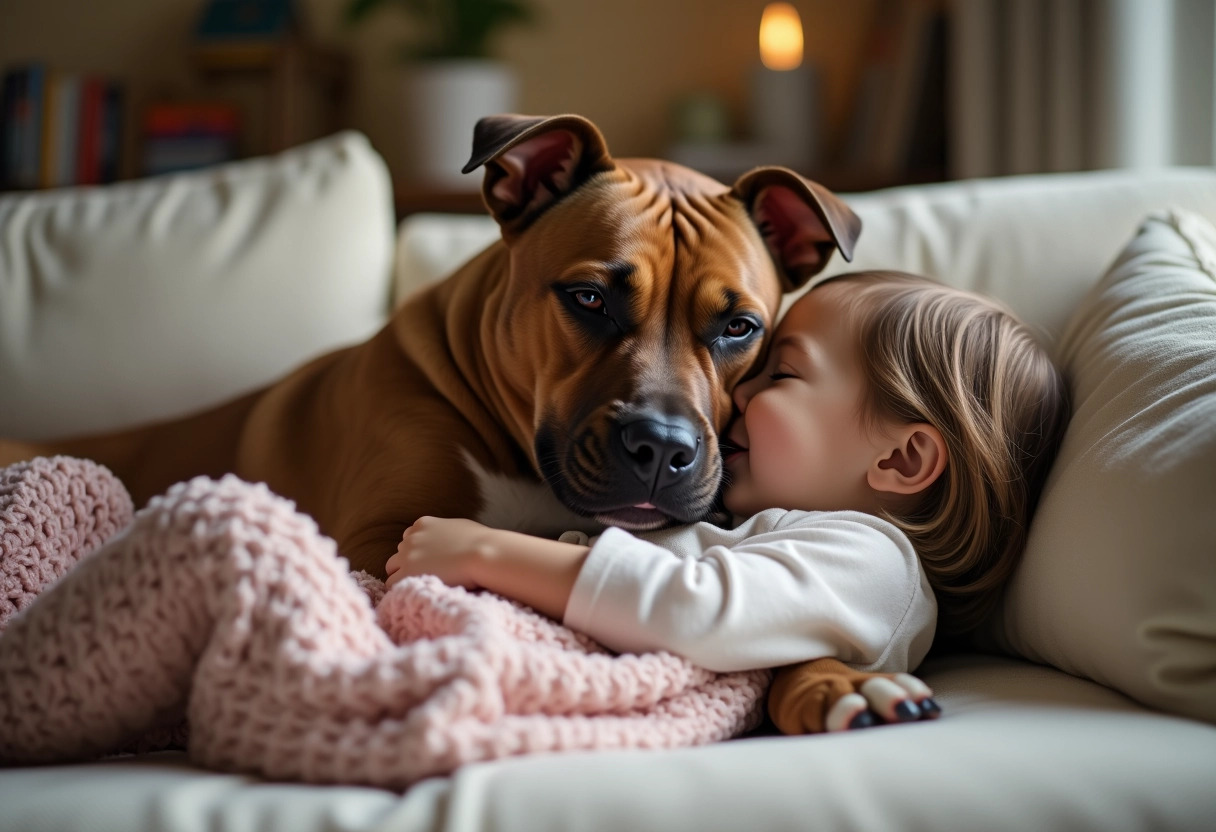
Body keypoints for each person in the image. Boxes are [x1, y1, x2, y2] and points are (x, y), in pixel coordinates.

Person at [385, 270, 1070, 731]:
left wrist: (483, 550)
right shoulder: (768, 527)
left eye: (782, 373)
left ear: (901, 458)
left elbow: (692, 606)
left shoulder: (874, 559)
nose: (733, 394)